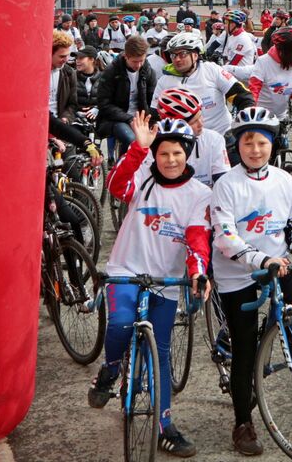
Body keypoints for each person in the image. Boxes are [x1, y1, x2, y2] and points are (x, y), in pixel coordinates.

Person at [88, 114, 210, 458]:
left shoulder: (200, 194)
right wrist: (138, 150)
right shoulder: (141, 179)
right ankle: (110, 370)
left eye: (177, 154)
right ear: (155, 156)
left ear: (188, 154)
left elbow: (198, 239)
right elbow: (115, 184)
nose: (170, 160)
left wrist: (198, 272)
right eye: (163, 154)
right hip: (126, 270)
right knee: (121, 324)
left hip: (166, 283)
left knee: (162, 353)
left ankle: (164, 426)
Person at [211, 107, 292, 456]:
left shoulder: (285, 179)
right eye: (247, 143)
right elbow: (226, 238)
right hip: (237, 270)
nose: (255, 150)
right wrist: (260, 258)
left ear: (273, 144)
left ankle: (285, 332)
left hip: (277, 265)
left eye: (262, 143)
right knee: (245, 350)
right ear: (236, 146)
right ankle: (243, 423)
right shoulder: (226, 185)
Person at [153, 30, 253, 154]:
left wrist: (248, 120)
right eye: (173, 55)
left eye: (183, 54)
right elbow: (155, 114)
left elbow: (240, 94)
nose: (177, 59)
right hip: (184, 141)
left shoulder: (211, 69)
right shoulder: (164, 81)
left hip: (222, 136)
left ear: (195, 55)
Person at [239, 28, 292, 118]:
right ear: (285, 49)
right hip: (261, 115)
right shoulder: (263, 61)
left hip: (281, 115)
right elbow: (254, 88)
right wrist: (252, 110)